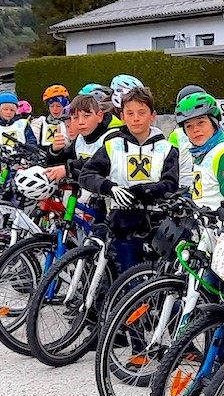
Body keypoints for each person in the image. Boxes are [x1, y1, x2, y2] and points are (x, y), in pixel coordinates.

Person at [75, 85, 179, 271]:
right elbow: (87, 175)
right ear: (122, 116)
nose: (136, 118)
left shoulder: (167, 149)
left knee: (152, 281)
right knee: (124, 278)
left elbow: (170, 184)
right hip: (120, 222)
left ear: (152, 116)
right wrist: (110, 188)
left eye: (142, 112)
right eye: (130, 113)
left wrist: (145, 191)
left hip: (155, 224)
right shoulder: (112, 145)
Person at [175, 90, 224, 212]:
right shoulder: (203, 154)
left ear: (214, 123)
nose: (195, 130)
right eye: (189, 126)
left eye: (201, 123)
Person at [46, 93, 113, 182]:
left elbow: (98, 162)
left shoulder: (112, 138)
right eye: (75, 117)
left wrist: (68, 168)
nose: (81, 122)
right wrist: (55, 151)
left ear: (99, 116)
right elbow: (60, 164)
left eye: (86, 116)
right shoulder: (80, 139)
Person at [33, 86, 71, 158]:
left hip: (64, 158)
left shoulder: (70, 122)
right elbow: (33, 140)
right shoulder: (40, 122)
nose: (55, 109)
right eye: (52, 106)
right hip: (43, 157)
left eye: (58, 106)